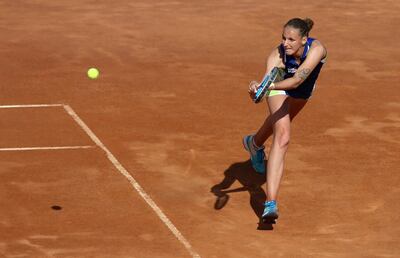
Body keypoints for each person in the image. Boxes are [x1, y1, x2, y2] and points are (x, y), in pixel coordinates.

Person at [243, 17, 327, 224]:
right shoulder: (277, 56)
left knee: (277, 123)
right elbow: (263, 88)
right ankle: (270, 203)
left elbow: (298, 80)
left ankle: (253, 143)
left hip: (301, 91)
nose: (285, 43)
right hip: (279, 88)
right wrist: (258, 88)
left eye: (291, 39)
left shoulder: (316, 50)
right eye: (283, 38)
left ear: (304, 40)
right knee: (283, 136)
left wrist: (268, 87)